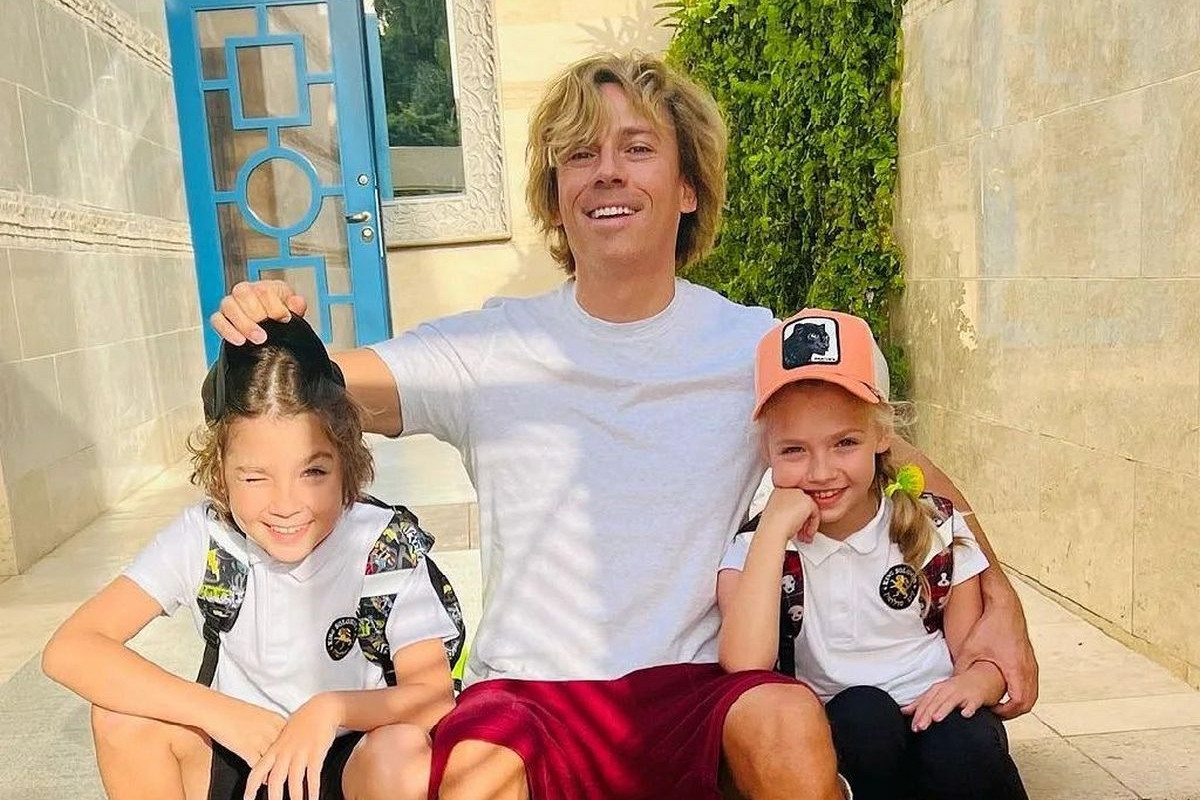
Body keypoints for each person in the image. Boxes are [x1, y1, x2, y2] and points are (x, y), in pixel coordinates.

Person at [210, 53, 1036, 800]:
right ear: (556, 197)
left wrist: (998, 601)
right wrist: (269, 329)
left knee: (788, 722)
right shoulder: (492, 348)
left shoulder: (751, 348)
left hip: (695, 687)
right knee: (469, 777)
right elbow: (315, 382)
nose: (607, 171)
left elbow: (894, 460)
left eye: (637, 149)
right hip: (529, 692)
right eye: (580, 154)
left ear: (687, 189)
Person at [42, 317, 461, 800]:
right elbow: (70, 649)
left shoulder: (382, 546)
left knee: (401, 750)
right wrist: (221, 713)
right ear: (219, 471)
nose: (286, 504)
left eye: (313, 472)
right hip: (238, 754)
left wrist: (331, 709)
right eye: (255, 477)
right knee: (121, 717)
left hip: (345, 761)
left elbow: (432, 697)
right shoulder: (207, 537)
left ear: (347, 461)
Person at [718, 309, 1029, 800]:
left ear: (883, 436)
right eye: (794, 450)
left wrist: (979, 683)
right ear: (766, 451)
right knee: (863, 715)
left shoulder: (932, 529)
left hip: (938, 716)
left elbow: (976, 655)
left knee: (964, 742)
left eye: (844, 443)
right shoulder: (755, 551)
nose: (821, 471)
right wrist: (774, 529)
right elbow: (745, 664)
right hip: (846, 736)